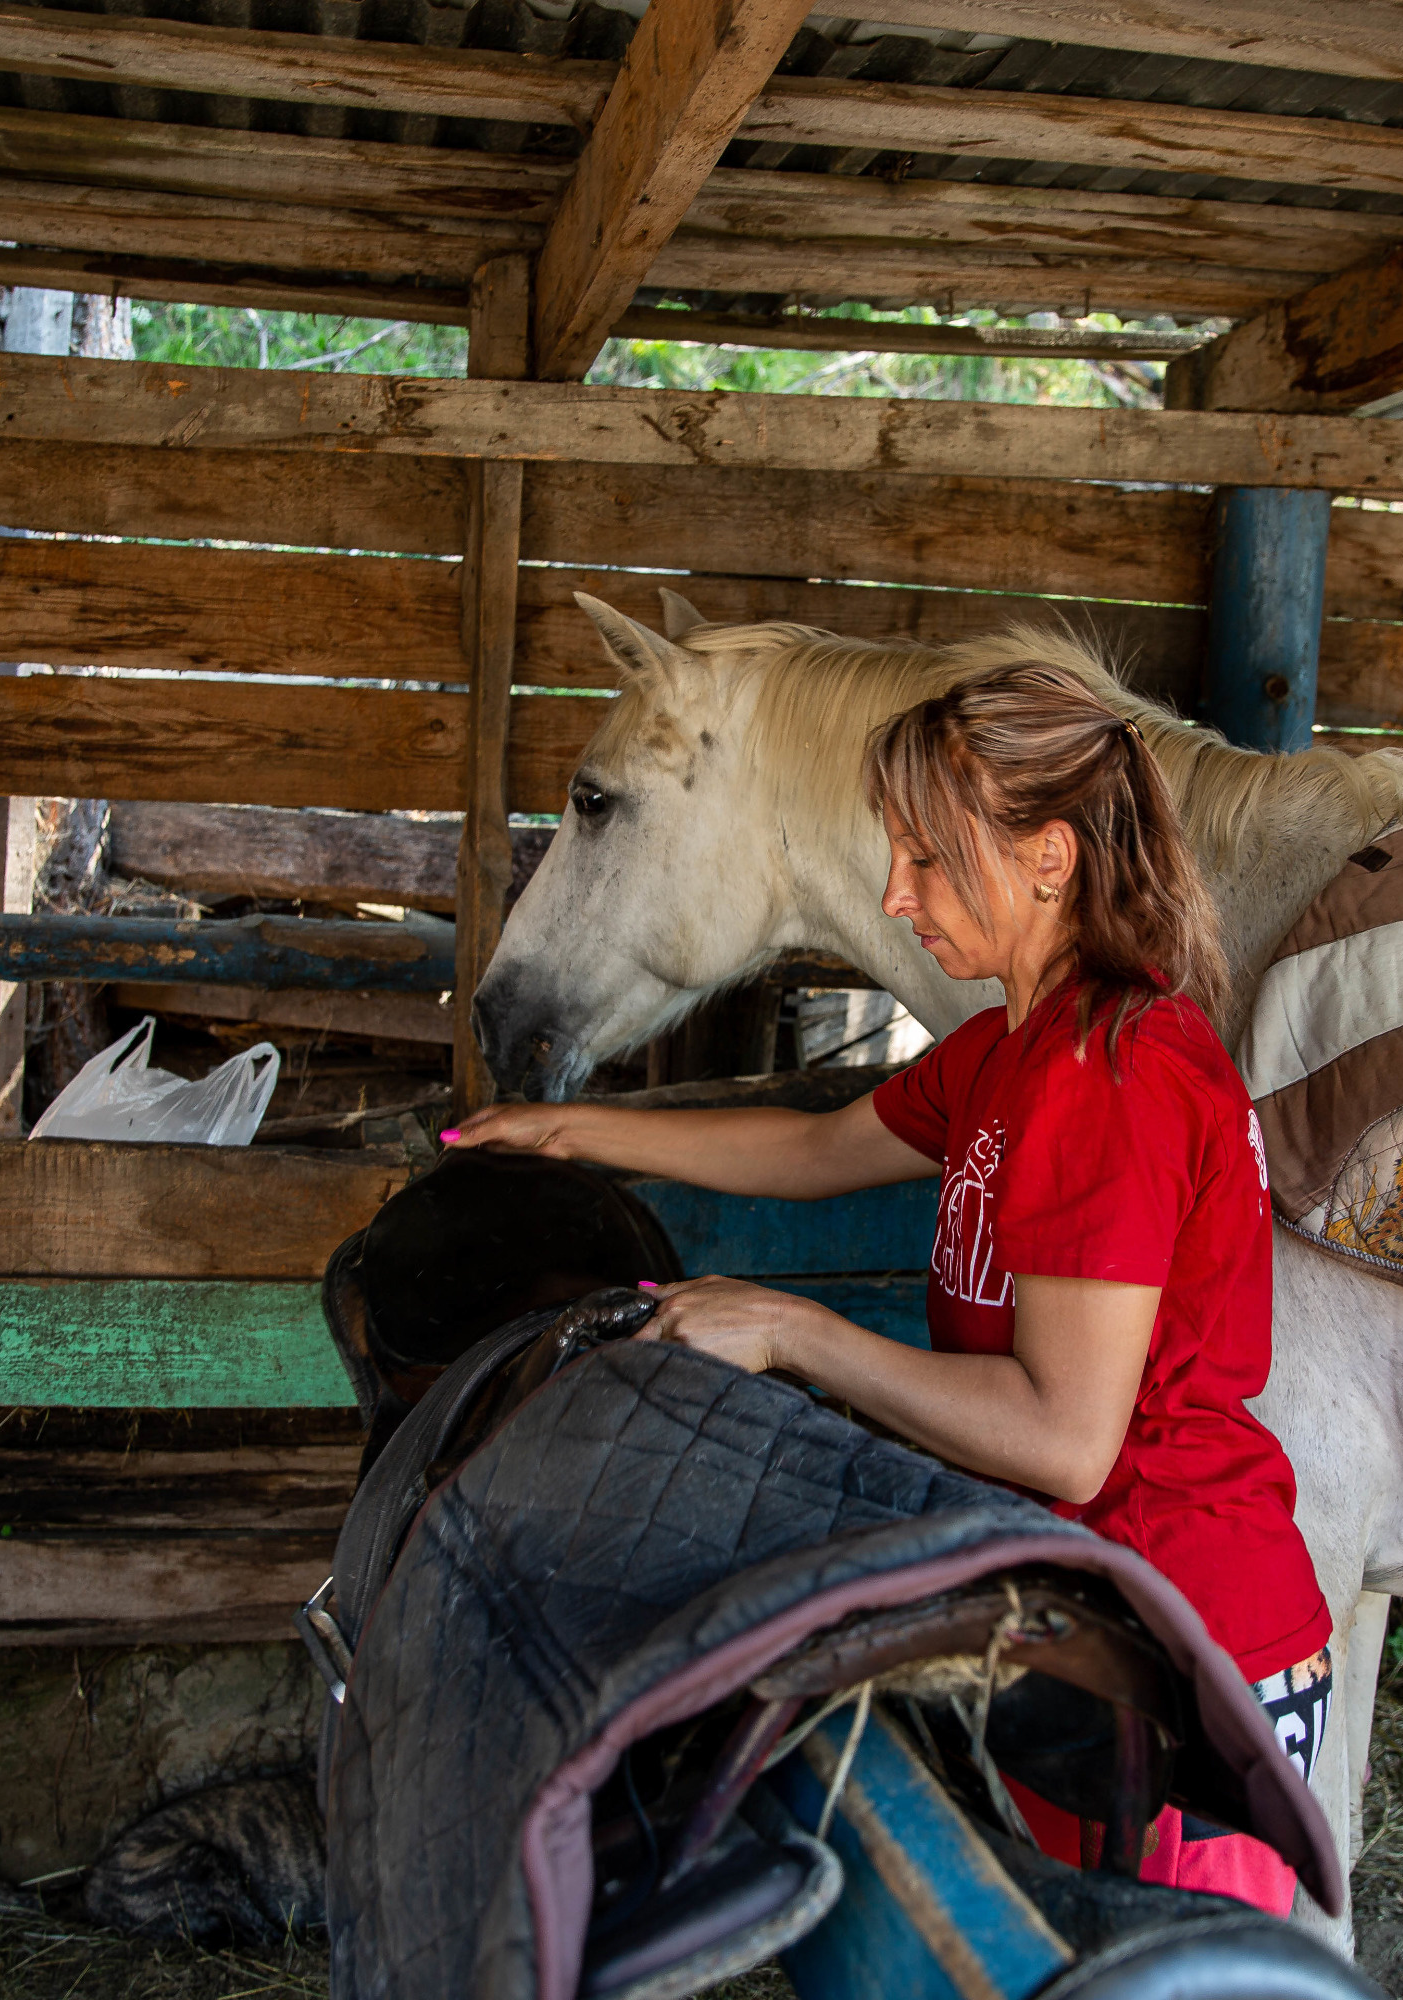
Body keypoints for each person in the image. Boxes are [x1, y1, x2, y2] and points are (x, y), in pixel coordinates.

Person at [445, 660, 1333, 1913]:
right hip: (1087, 1614)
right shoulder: (1010, 1050)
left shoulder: (1106, 1074)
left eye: (925, 857)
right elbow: (813, 1148)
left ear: (1051, 858)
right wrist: (573, 1131)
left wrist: (793, 1328)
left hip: (1184, 1650)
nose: (892, 895)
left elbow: (1068, 1437)